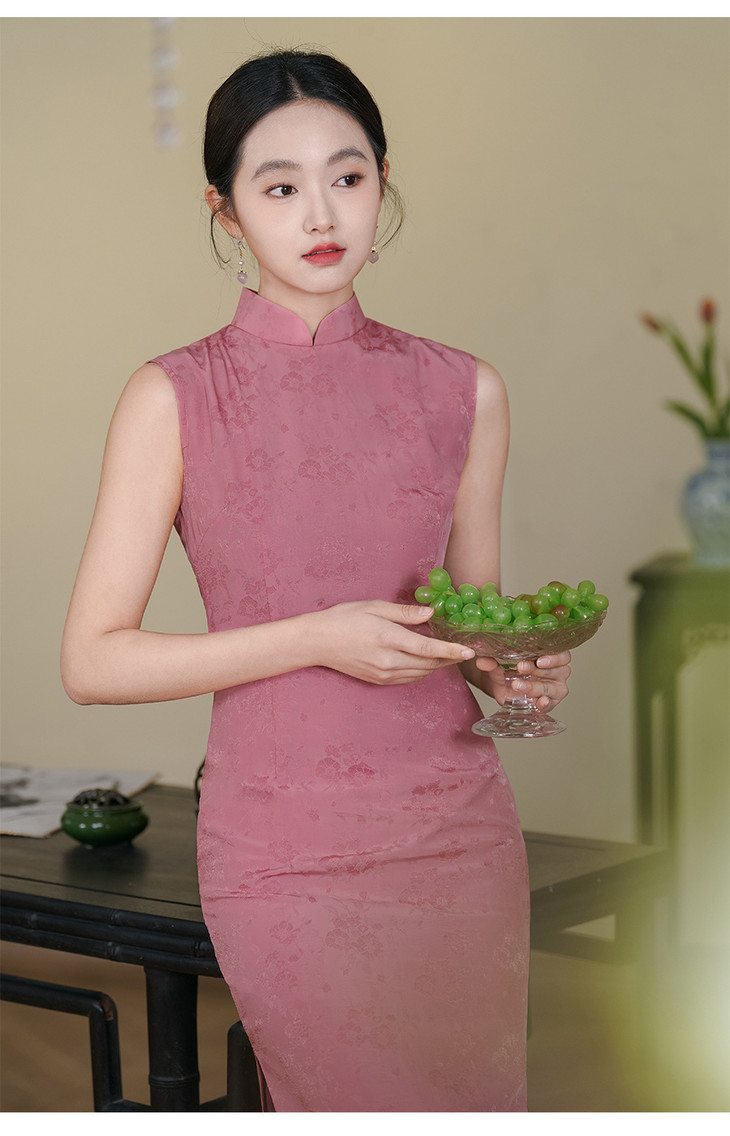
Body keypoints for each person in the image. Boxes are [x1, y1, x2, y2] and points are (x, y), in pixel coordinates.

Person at [61, 48, 571, 1112]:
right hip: (282, 850)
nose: (322, 213)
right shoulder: (173, 396)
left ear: (383, 181)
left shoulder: (464, 389)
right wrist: (315, 635)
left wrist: (512, 667)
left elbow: (465, 623)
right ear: (225, 209)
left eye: (347, 175)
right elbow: (93, 661)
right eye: (280, 186)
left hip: (456, 833)